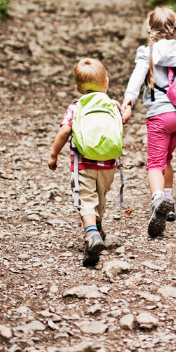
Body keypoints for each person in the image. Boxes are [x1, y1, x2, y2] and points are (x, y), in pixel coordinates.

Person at [122, 6, 176, 238]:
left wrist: (128, 101)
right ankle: (168, 205)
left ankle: (157, 202)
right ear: (175, 29)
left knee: (155, 164)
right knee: (167, 159)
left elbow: (138, 76)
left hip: (160, 115)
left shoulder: (147, 52)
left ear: (149, 28)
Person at [48, 58, 123, 267]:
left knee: (86, 200)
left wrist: (54, 155)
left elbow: (64, 131)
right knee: (101, 196)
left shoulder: (75, 106)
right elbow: (123, 118)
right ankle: (98, 228)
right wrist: (129, 107)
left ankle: (91, 235)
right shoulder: (114, 105)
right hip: (108, 165)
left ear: (78, 88)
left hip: (83, 165)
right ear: (106, 83)